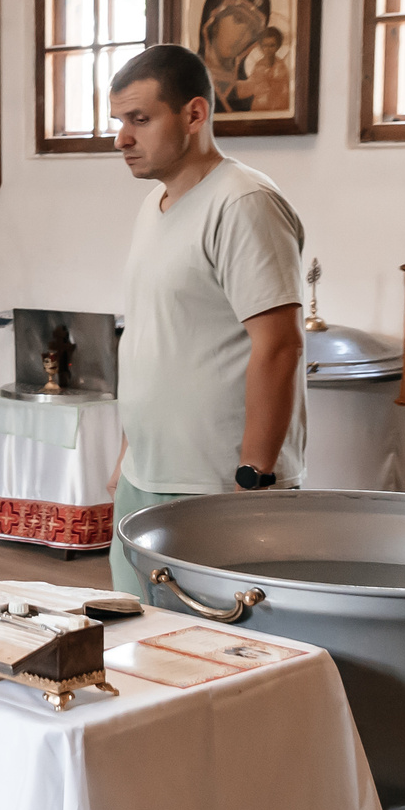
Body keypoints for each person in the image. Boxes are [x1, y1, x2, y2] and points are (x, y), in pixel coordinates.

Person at [104, 44, 307, 601]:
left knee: (209, 659)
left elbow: (280, 346)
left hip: (215, 486)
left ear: (194, 115)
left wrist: (254, 476)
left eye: (140, 120)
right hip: (148, 475)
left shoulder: (243, 203)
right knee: (134, 643)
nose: (122, 137)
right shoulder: (158, 203)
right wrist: (130, 451)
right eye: (120, 121)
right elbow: (157, 337)